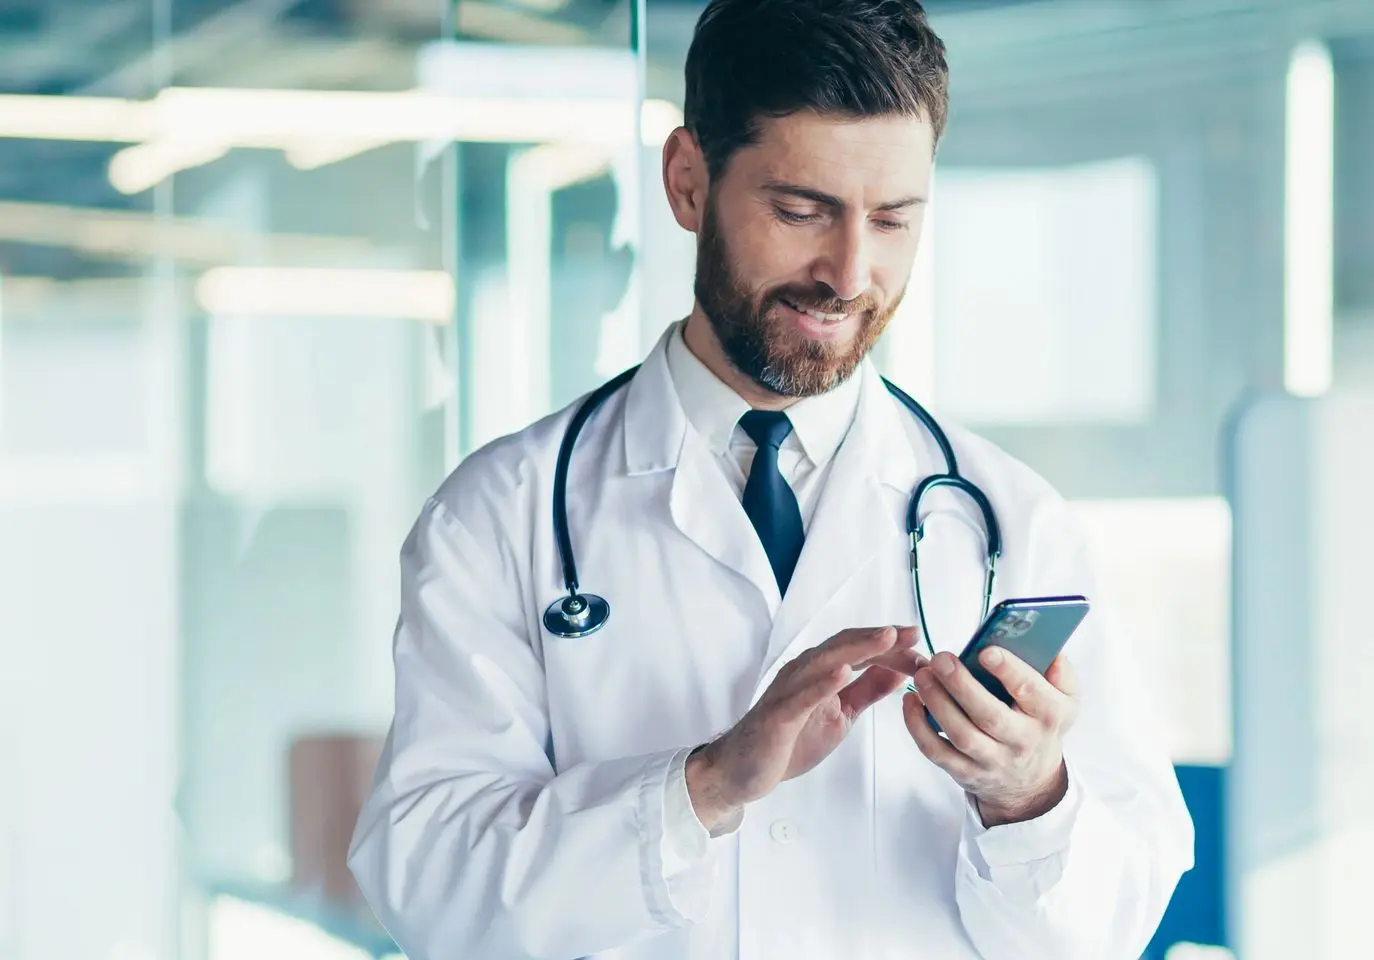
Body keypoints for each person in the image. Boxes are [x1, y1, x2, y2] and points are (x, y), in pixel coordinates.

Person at [346, 0, 1194, 956]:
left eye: (893, 220)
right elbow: (428, 890)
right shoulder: (501, 516)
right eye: (801, 211)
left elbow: (1114, 919)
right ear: (687, 183)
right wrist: (702, 787)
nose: (849, 272)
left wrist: (1028, 797)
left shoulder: (1015, 520)